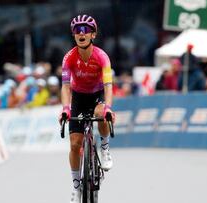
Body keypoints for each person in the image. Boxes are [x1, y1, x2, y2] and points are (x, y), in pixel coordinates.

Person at [59, 14, 115, 203]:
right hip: (79, 97)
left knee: (101, 114)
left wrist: (108, 107)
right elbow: (65, 86)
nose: (81, 34)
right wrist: (66, 109)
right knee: (75, 144)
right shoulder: (68, 58)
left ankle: (105, 148)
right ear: (74, 35)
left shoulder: (102, 57)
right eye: (77, 31)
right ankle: (76, 187)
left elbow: (108, 85)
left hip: (98, 93)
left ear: (93, 35)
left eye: (85, 30)